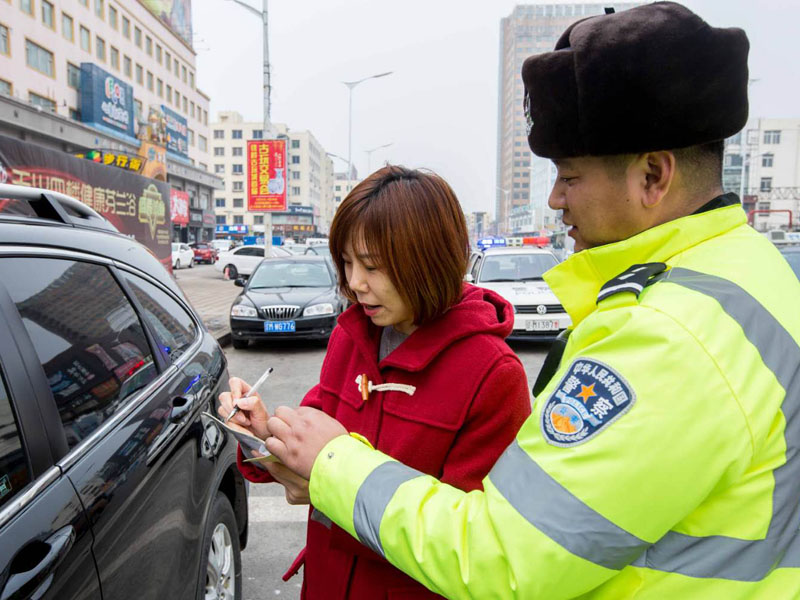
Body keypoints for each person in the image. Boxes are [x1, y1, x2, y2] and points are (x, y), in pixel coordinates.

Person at [259, 3, 800, 598]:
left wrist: (335, 463)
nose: (554, 200)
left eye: (569, 176)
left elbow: (504, 556)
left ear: (653, 175)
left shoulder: (672, 332)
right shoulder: (750, 272)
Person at [218, 166, 531, 599]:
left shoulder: (492, 373)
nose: (354, 283)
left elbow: (475, 549)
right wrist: (262, 434)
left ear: (429, 260)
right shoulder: (352, 337)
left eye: (373, 266)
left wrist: (332, 493)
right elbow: (310, 447)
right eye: (346, 263)